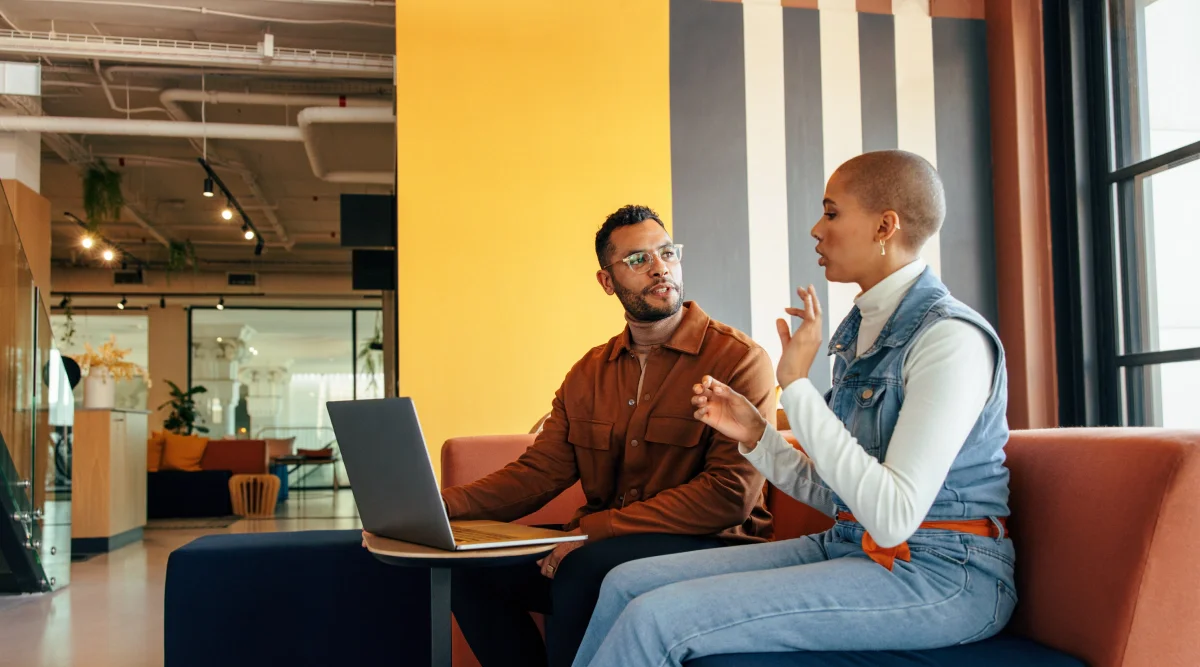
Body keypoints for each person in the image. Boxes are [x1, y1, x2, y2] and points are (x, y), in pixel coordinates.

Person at [571, 150, 1016, 667]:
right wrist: (758, 435)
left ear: (884, 227)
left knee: (657, 618)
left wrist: (796, 387)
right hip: (852, 543)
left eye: (831, 213)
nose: (816, 230)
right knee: (626, 581)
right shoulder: (864, 329)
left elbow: (893, 518)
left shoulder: (950, 339)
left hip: (943, 573)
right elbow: (843, 500)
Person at [439, 205, 777, 667]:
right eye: (638, 260)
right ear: (607, 281)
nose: (660, 268)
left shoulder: (739, 360)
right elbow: (539, 473)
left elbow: (729, 496)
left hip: (713, 542)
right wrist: (441, 508)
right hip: (604, 542)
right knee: (468, 570)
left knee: (581, 571)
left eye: (666, 253)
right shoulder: (588, 372)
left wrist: (591, 531)